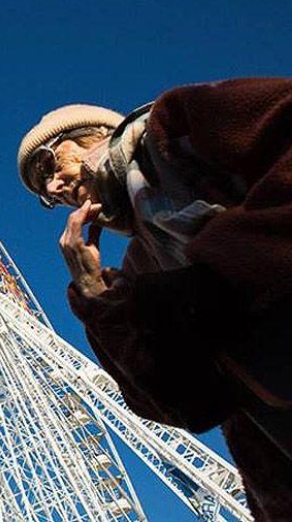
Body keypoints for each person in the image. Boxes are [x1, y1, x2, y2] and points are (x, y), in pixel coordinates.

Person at [16, 78, 292, 520]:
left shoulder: (174, 127)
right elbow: (181, 403)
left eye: (50, 164)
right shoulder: (140, 268)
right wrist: (94, 294)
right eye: (41, 191)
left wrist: (212, 281)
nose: (52, 188)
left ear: (94, 135)